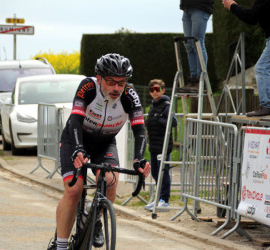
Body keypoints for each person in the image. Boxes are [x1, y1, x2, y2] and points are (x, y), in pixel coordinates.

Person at [48, 53, 151, 250]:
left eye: (121, 83)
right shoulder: (88, 87)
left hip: (104, 143)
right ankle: (60, 245)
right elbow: (76, 119)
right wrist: (78, 149)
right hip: (76, 139)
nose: (116, 88)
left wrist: (139, 159)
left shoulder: (130, 95)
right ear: (99, 78)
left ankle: (96, 218)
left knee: (111, 182)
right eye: (111, 82)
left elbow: (139, 130)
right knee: (74, 190)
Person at [222, 0, 270, 117]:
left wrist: (232, 6)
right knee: (267, 69)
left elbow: (251, 17)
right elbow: (254, 15)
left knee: (262, 69)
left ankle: (268, 106)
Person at [145, 79, 178, 211]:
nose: (155, 92)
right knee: (155, 172)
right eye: (152, 90)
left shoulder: (166, 105)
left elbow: (173, 122)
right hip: (153, 145)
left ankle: (165, 200)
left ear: (163, 90)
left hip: (164, 146)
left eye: (157, 89)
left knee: (163, 173)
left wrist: (159, 120)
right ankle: (158, 198)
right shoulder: (153, 105)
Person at [178, 0, 214, 93]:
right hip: (187, 7)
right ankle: (193, 79)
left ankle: (201, 79)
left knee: (197, 43)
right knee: (189, 45)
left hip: (200, 6)